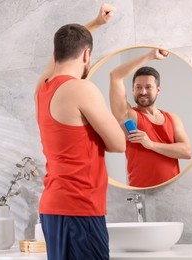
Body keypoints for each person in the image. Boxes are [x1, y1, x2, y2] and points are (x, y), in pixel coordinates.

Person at [35, 4, 125, 260]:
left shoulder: (41, 89)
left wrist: (95, 24)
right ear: (87, 55)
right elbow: (119, 144)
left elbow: (57, 59)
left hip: (52, 209)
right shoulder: (82, 89)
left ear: (56, 53)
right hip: (81, 208)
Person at [109, 48, 192, 188]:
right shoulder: (129, 115)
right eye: (138, 87)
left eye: (148, 87)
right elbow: (115, 76)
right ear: (132, 89)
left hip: (173, 192)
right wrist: (150, 55)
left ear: (158, 90)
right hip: (142, 193)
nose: (143, 92)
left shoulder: (173, 118)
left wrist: (151, 144)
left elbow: (186, 151)